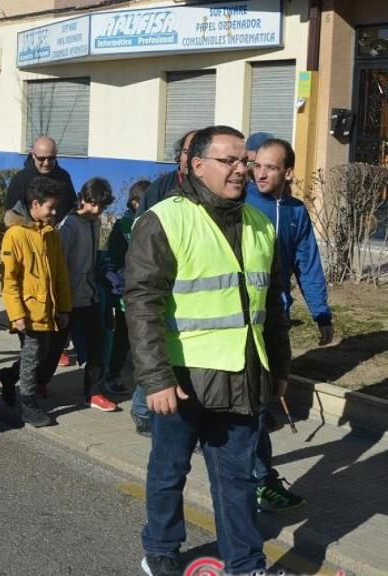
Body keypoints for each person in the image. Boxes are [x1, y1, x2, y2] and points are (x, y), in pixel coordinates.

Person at [125, 125, 291, 576]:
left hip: (242, 375)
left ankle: (245, 563)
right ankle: (160, 548)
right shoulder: (164, 220)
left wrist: (278, 368)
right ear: (197, 166)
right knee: (169, 471)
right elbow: (141, 304)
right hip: (182, 379)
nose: (243, 170)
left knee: (237, 479)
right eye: (230, 161)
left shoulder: (259, 225)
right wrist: (155, 378)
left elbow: (271, 305)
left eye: (246, 161)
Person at [247, 137, 333, 513]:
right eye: (257, 165)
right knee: (251, 406)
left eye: (270, 167)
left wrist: (321, 311)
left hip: (275, 318)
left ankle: (254, 474)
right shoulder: (242, 204)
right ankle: (259, 480)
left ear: (287, 172)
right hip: (243, 317)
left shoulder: (295, 212)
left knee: (258, 403)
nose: (260, 173)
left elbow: (308, 264)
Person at [129, 129, 199, 434]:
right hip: (161, 283)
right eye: (188, 151)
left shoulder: (211, 191)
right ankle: (142, 411)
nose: (193, 157)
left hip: (193, 294)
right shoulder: (161, 189)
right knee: (157, 352)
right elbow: (140, 236)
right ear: (179, 157)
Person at [0, 176, 71, 427]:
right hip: (28, 310)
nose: (54, 212)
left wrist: (63, 307)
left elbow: (59, 273)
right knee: (33, 356)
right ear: (36, 204)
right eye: (50, 207)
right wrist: (16, 313)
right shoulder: (16, 235)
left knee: (42, 354)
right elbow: (10, 279)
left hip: (47, 309)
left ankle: (9, 376)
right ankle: (27, 403)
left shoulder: (50, 233)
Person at [59, 178, 118, 412]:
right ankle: (30, 382)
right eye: (93, 204)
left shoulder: (95, 223)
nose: (97, 210)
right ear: (82, 199)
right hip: (68, 298)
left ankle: (94, 392)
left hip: (89, 295)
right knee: (50, 349)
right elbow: (59, 263)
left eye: (102, 207)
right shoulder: (68, 225)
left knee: (96, 346)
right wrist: (61, 299)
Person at [102, 179, 150, 406]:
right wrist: (123, 285)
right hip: (126, 291)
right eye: (146, 202)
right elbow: (116, 259)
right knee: (122, 337)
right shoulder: (123, 227)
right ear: (134, 202)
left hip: (146, 291)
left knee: (138, 339)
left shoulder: (151, 222)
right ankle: (111, 376)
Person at [4, 136, 78, 220]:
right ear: (33, 155)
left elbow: (71, 208)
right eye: (41, 158)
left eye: (51, 158)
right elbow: (12, 216)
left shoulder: (63, 177)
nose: (46, 163)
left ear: (56, 154)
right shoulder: (20, 180)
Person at [137, 130, 197, 216]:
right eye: (186, 153)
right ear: (179, 154)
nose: (188, 159)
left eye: (196, 154)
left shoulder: (217, 189)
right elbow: (141, 226)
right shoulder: (159, 188)